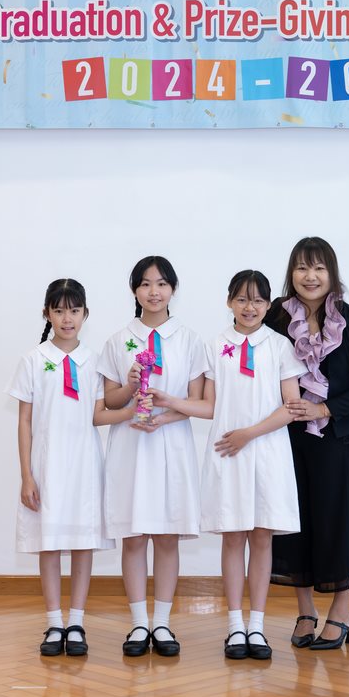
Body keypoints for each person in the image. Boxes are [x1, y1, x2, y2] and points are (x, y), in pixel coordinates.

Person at [155, 269, 306, 660]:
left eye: (257, 300)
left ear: (268, 305)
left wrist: (249, 434)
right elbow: (209, 405)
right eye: (241, 299)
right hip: (227, 453)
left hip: (267, 453)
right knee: (233, 536)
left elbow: (291, 407)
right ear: (229, 302)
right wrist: (169, 402)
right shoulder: (215, 345)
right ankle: (235, 627)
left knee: (262, 537)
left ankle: (257, 627)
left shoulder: (280, 346)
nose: (249, 307)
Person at [265, 237, 349, 651]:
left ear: (332, 273)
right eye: (301, 267)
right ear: (291, 273)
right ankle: (305, 612)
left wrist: (324, 409)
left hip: (333, 439)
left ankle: (342, 614)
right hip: (285, 437)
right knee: (294, 525)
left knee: (337, 525)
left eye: (318, 268)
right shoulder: (276, 317)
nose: (310, 276)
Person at [98, 256, 209, 657]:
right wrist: (130, 387)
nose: (154, 292)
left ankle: (161, 622)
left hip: (171, 443)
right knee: (133, 537)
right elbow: (109, 401)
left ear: (173, 289)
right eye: (145, 284)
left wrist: (164, 415)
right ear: (134, 290)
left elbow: (199, 402)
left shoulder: (190, 340)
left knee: (166, 536)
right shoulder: (118, 340)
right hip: (130, 446)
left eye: (162, 283)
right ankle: (138, 623)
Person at [7, 278, 113, 657]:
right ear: (47, 314)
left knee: (83, 543)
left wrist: (135, 405)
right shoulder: (34, 361)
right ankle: (54, 622)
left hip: (85, 464)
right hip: (47, 465)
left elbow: (99, 414)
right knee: (48, 544)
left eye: (74, 310)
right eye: (59, 310)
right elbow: (24, 421)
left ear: (85, 314)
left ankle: (77, 621)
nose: (67, 318)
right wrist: (27, 475)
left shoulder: (96, 362)